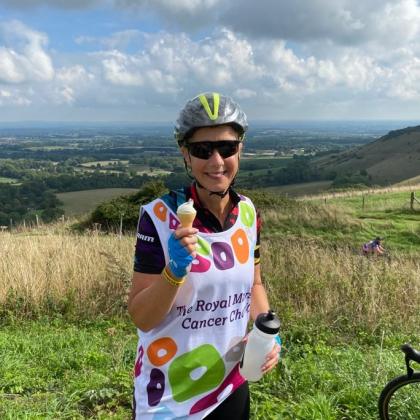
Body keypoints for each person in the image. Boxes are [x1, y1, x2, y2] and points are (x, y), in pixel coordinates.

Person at [128, 92, 281, 419]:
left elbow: (254, 284)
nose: (216, 161)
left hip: (231, 383)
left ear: (240, 149)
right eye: (202, 150)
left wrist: (268, 330)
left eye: (226, 148)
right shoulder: (159, 216)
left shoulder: (248, 214)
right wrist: (173, 272)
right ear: (186, 154)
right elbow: (142, 317)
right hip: (170, 397)